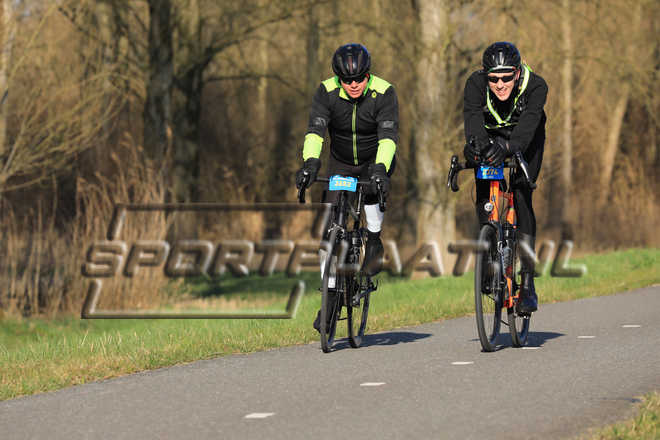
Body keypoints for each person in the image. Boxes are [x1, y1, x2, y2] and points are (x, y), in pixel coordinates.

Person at [295, 43, 399, 331]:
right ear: (338, 78)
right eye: (347, 80)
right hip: (340, 162)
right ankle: (330, 299)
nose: (353, 85)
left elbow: (388, 137)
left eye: (359, 79)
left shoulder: (384, 92)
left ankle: (374, 238)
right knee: (328, 231)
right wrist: (310, 163)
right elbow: (315, 132)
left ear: (368, 75)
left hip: (374, 158)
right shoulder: (326, 91)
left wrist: (380, 169)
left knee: (373, 193)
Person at [463, 41, 547, 314]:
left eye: (506, 78)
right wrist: (475, 147)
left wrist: (510, 147)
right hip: (492, 137)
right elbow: (473, 122)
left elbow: (529, 125)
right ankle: (489, 257)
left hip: (527, 140)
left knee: (521, 195)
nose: (500, 85)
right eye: (493, 79)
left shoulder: (536, 86)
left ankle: (528, 283)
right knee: (484, 189)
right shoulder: (474, 85)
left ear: (517, 73)